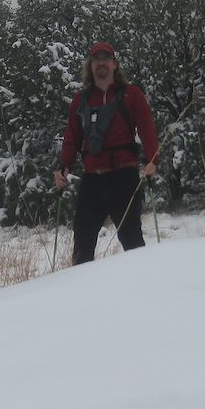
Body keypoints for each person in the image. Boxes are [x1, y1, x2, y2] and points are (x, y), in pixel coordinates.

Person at [54, 41, 159, 265]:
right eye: (96, 59)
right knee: (82, 240)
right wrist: (63, 167)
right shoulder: (80, 101)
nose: (101, 63)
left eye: (106, 59)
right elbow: (72, 139)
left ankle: (145, 286)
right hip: (92, 178)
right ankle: (83, 294)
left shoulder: (132, 95)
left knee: (131, 239)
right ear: (90, 66)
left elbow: (147, 130)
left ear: (114, 64)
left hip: (124, 177)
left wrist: (152, 161)